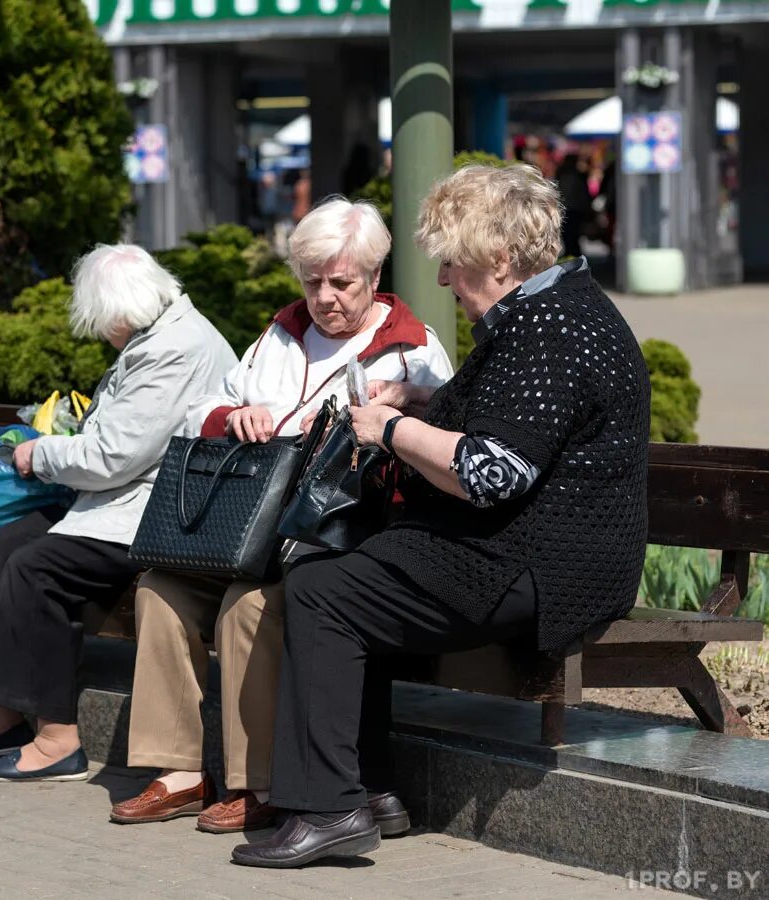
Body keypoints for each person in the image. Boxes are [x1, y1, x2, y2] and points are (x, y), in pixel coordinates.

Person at [231, 164, 650, 868]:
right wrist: (421, 408)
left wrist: (387, 430)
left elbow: (492, 472)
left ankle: (331, 808)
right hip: (528, 549)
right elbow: (502, 428)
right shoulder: (546, 314)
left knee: (326, 592)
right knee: (346, 574)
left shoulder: (553, 329)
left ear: (500, 258)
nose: (448, 280)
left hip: (546, 568)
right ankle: (367, 792)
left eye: (454, 263)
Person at [111, 197, 453, 833]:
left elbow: (445, 445)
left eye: (341, 282)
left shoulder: (412, 350)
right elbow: (206, 411)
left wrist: (411, 407)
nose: (324, 298)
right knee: (160, 589)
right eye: (312, 281)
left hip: (328, 538)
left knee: (249, 605)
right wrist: (231, 418)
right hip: (250, 528)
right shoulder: (280, 333)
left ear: (375, 276)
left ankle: (258, 782)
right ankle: (180, 772)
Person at [0, 244, 237, 782]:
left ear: (118, 309)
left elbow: (113, 457)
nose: (98, 332)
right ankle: (2, 711)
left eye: (99, 320)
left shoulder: (174, 349)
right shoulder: (157, 335)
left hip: (157, 515)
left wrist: (40, 454)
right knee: (11, 543)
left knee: (37, 567)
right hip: (125, 503)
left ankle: (57, 738)